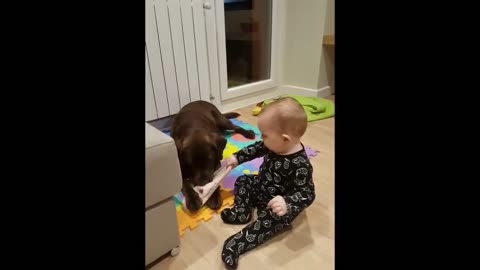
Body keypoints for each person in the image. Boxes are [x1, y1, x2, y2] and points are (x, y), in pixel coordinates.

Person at [220, 97, 316, 269]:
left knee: (273, 220)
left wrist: (286, 203)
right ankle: (242, 211)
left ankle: (235, 244)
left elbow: (307, 193)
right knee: (243, 179)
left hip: (277, 204)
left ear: (285, 139)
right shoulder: (274, 144)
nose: (262, 139)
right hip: (261, 186)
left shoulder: (301, 164)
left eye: (264, 135)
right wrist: (237, 157)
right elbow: (255, 148)